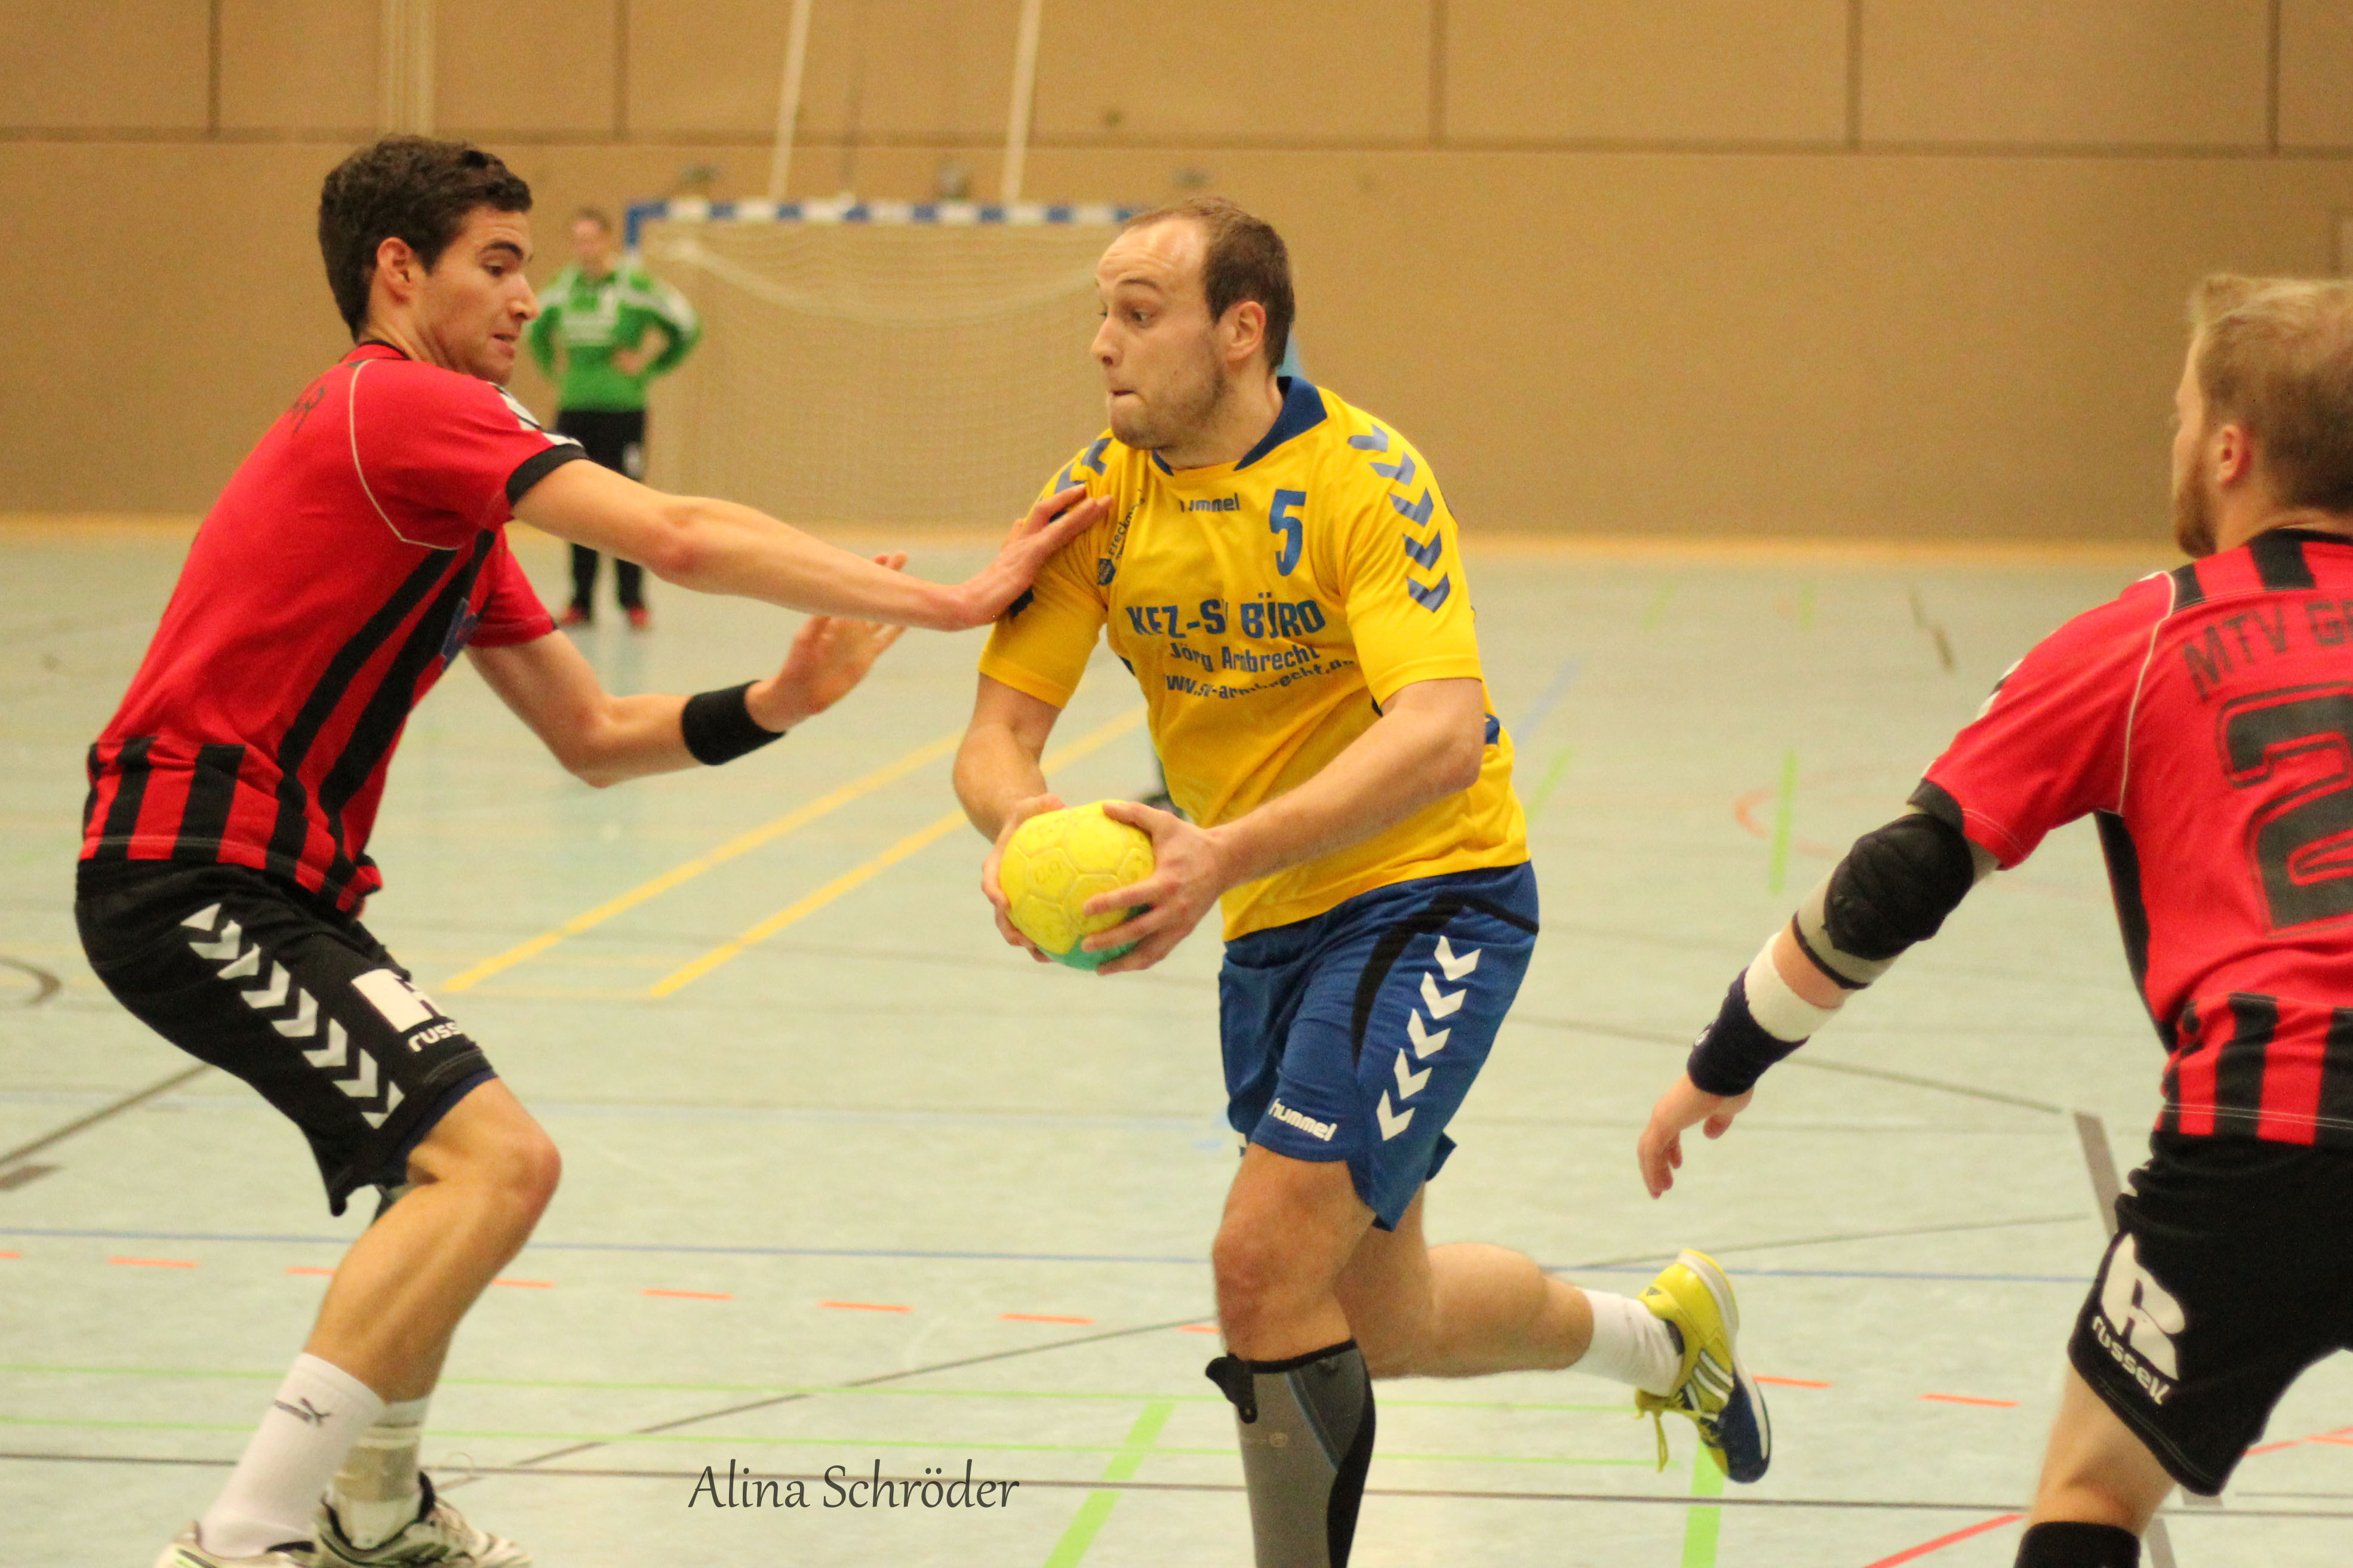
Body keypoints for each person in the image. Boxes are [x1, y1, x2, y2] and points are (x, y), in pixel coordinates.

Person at [79, 134, 1100, 1568]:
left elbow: (597, 731)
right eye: (498, 264)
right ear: (398, 271)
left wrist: (780, 702)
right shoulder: (396, 405)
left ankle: (374, 1508)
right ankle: (244, 1532)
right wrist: (951, 600)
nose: (528, 298)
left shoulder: (442, 504)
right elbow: (674, 533)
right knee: (493, 1164)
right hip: (189, 868)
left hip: (271, 883)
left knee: (451, 1174)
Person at [953, 196, 1769, 1567]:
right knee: (1381, 1320)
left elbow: (1440, 731)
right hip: (1273, 925)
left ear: (1240, 329)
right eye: (1100, 312)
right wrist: (1026, 832)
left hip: (1428, 894)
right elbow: (993, 740)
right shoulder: (1096, 495)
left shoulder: (1363, 477)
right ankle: (1662, 1339)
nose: (1101, 342)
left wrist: (1218, 851)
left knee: (1261, 1269)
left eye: (1138, 312)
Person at [1638, 275, 2353, 1567]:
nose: (2174, 439)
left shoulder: (2141, 636)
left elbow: (1897, 879)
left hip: (2266, 1127)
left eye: (2181, 416)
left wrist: (1724, 1055)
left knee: (2091, 1490)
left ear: (2229, 451)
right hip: (2273, 1116)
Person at [525, 207, 700, 629]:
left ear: (607, 240)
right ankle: (581, 600)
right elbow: (533, 330)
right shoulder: (563, 288)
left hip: (623, 410)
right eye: (578, 240)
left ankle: (633, 599)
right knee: (576, 505)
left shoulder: (634, 286)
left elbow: (686, 325)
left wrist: (649, 366)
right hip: (575, 410)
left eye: (592, 238)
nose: (585, 247)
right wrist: (556, 374)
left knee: (628, 504)